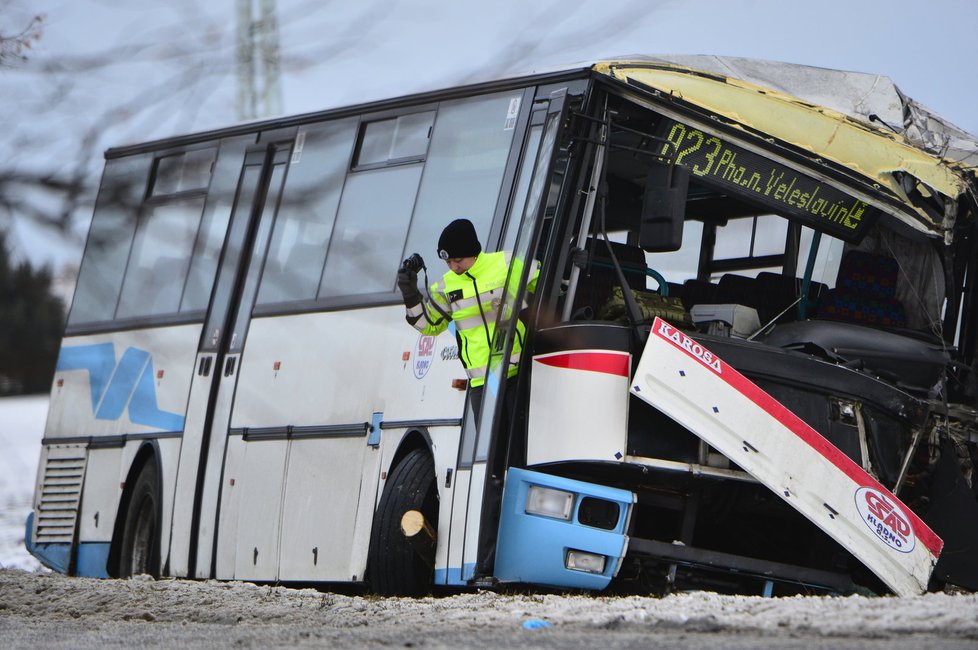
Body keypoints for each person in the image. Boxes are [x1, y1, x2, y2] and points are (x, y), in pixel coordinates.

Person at [397, 218, 537, 419]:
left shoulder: (507, 263)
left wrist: (570, 265)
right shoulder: (444, 287)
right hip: (482, 385)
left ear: (474, 251)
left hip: (518, 375)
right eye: (448, 262)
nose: (453, 267)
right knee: (494, 451)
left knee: (517, 449)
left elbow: (550, 282)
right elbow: (428, 326)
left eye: (458, 260)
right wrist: (410, 294)